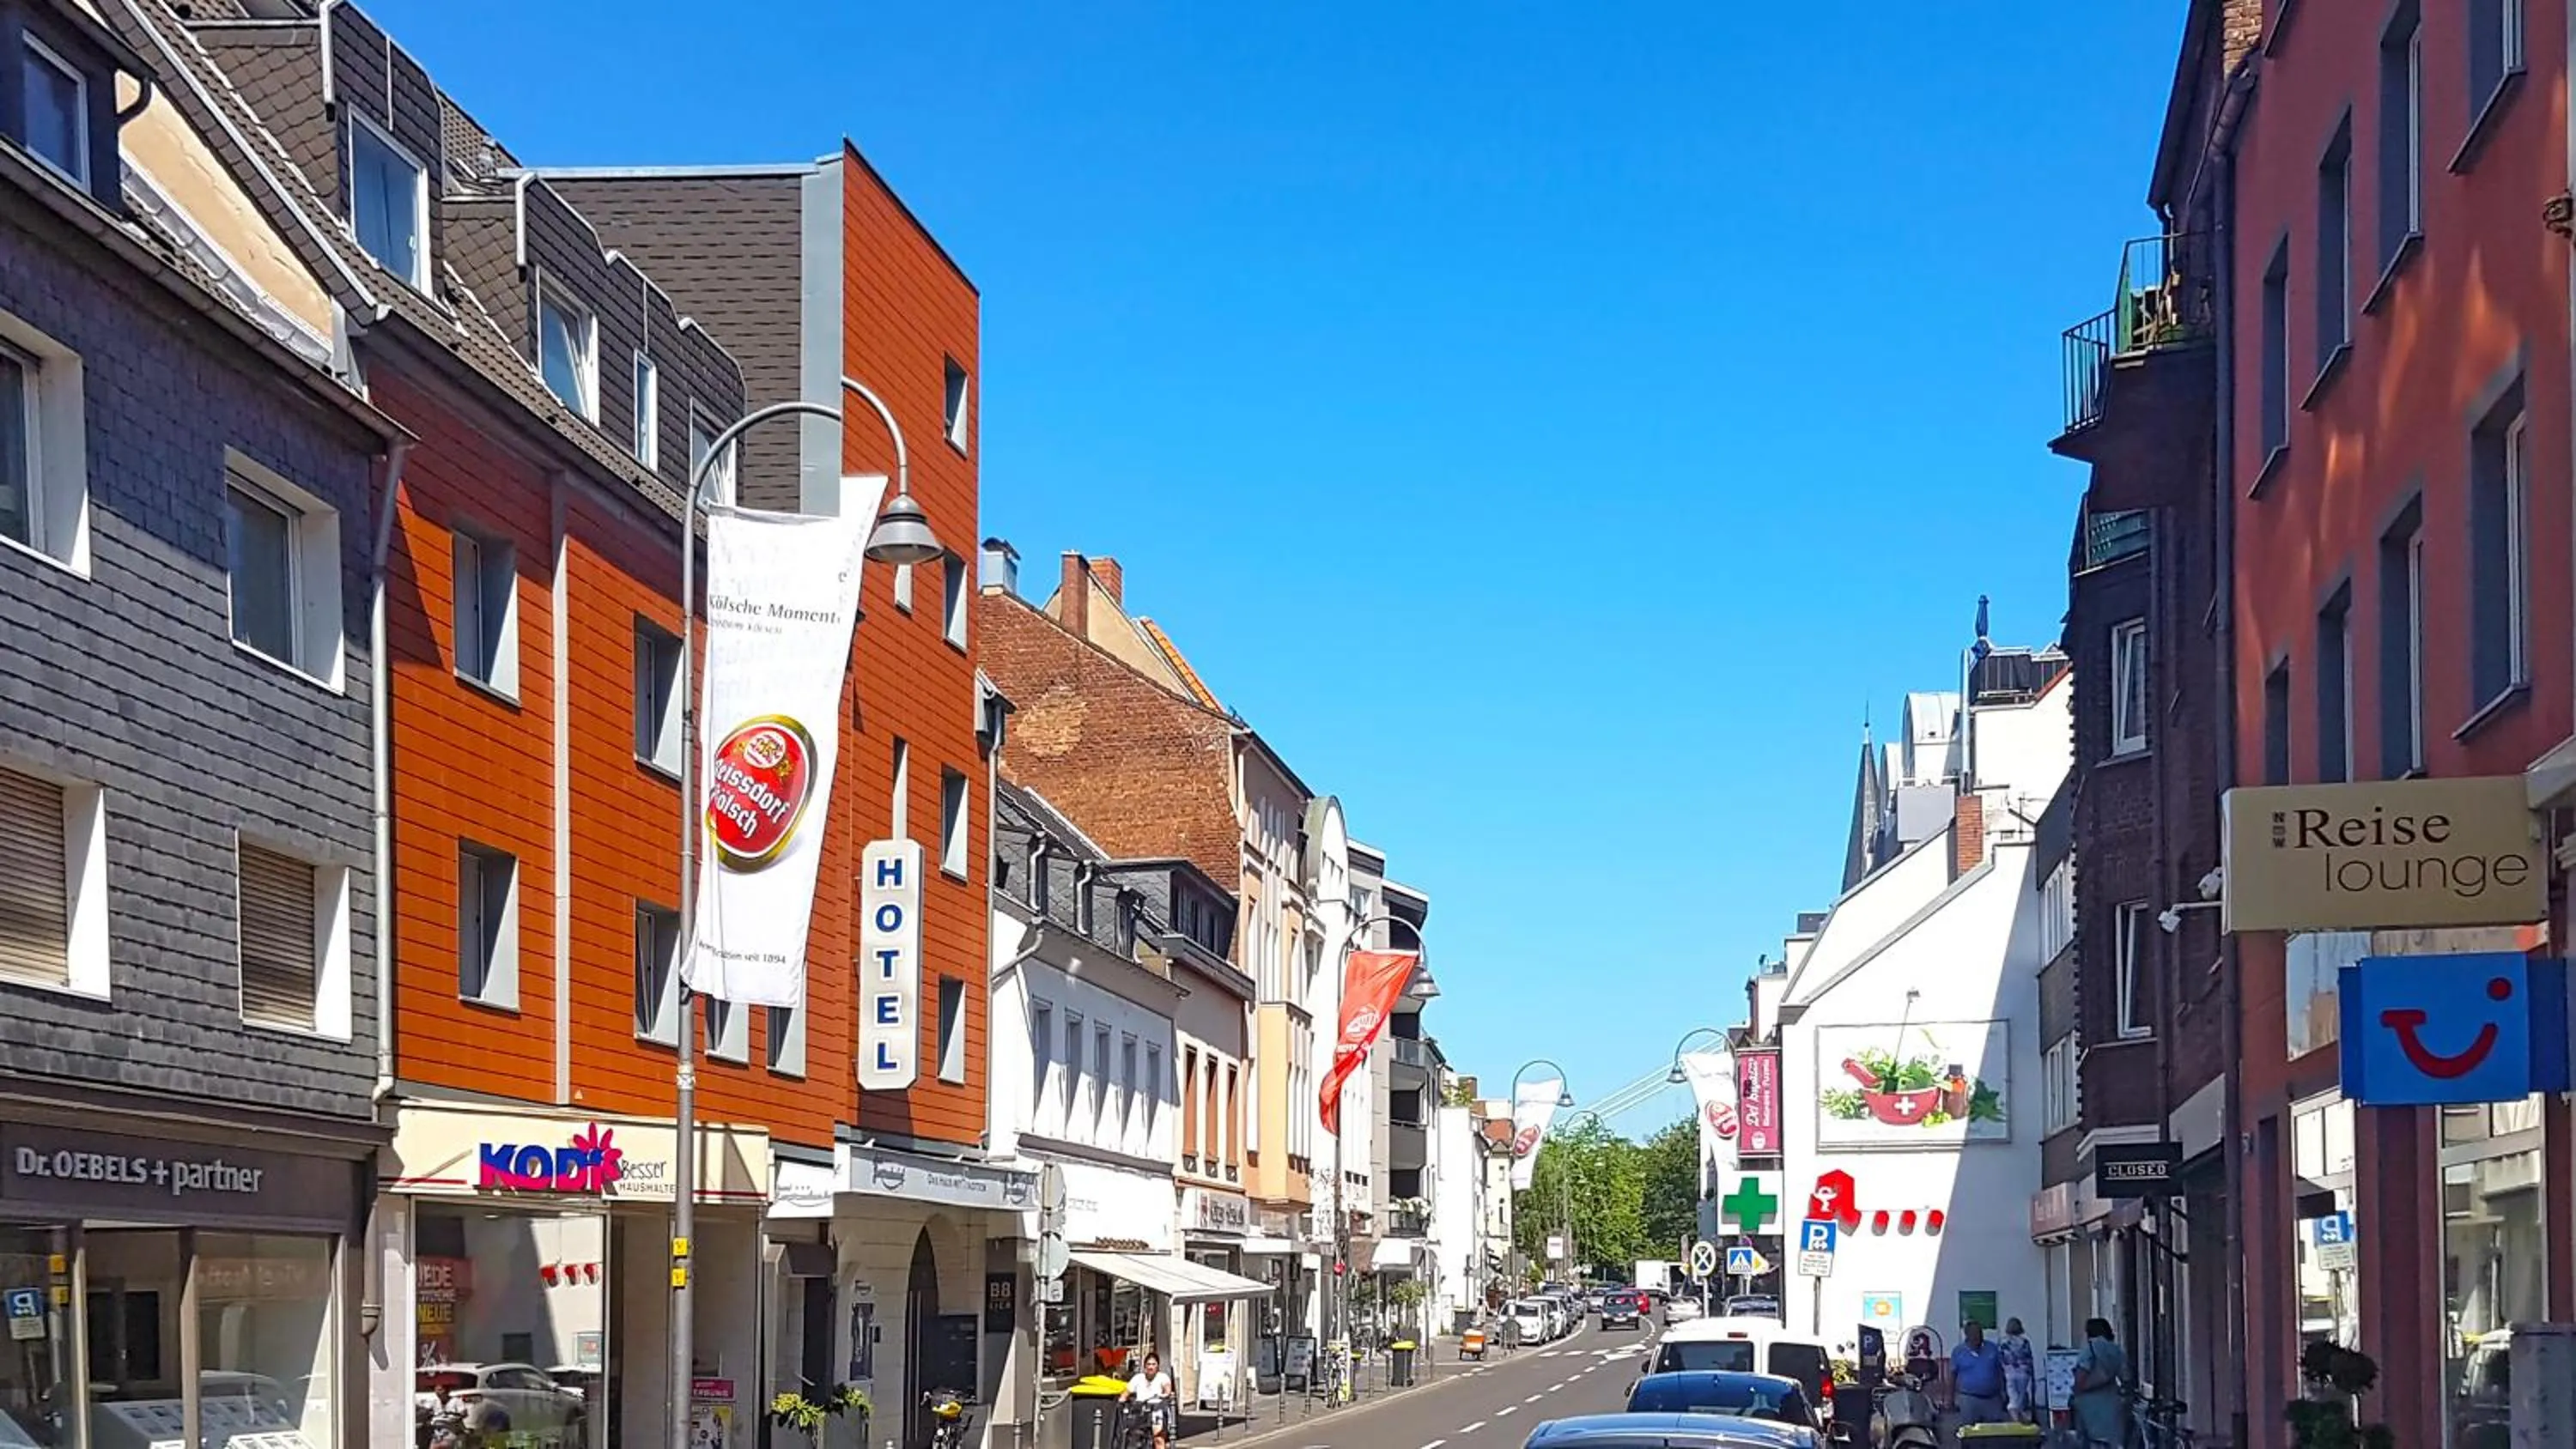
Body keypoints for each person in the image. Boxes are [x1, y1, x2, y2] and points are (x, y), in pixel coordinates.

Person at [2071, 1319, 2134, 1449]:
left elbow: (2080, 1378)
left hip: (2088, 1406)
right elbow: (2126, 1377)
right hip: (2112, 1403)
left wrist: (2076, 1393)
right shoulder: (2117, 1351)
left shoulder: (2089, 1350)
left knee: (2091, 1442)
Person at [1952, 1320, 2009, 1428]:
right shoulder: (1958, 1351)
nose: (1977, 1336)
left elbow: (2000, 1371)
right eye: (1974, 1333)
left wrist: (2004, 1392)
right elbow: (1953, 1375)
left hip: (1992, 1399)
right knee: (1970, 1432)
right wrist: (1951, 1400)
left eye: (1979, 1333)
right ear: (1967, 1335)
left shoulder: (1992, 1348)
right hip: (1969, 1399)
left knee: (1995, 1431)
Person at [1121, 1351, 1176, 1449]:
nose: (1151, 1367)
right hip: (1140, 1410)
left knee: (1158, 1439)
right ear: (1144, 1366)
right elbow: (1126, 1392)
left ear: (1157, 1366)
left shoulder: (1162, 1377)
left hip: (1157, 1411)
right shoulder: (1138, 1378)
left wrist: (1165, 1394)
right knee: (1134, 1438)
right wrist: (1122, 1401)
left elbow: (1167, 1388)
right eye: (1148, 1364)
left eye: (1154, 1364)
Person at [1998, 1318, 2037, 1423]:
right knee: (2021, 1397)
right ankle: (2021, 1418)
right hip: (2024, 1374)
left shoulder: (2003, 1342)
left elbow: (2001, 1360)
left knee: (2012, 1397)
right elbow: (2029, 1359)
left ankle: (2015, 1420)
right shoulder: (2025, 1342)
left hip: (2009, 1373)